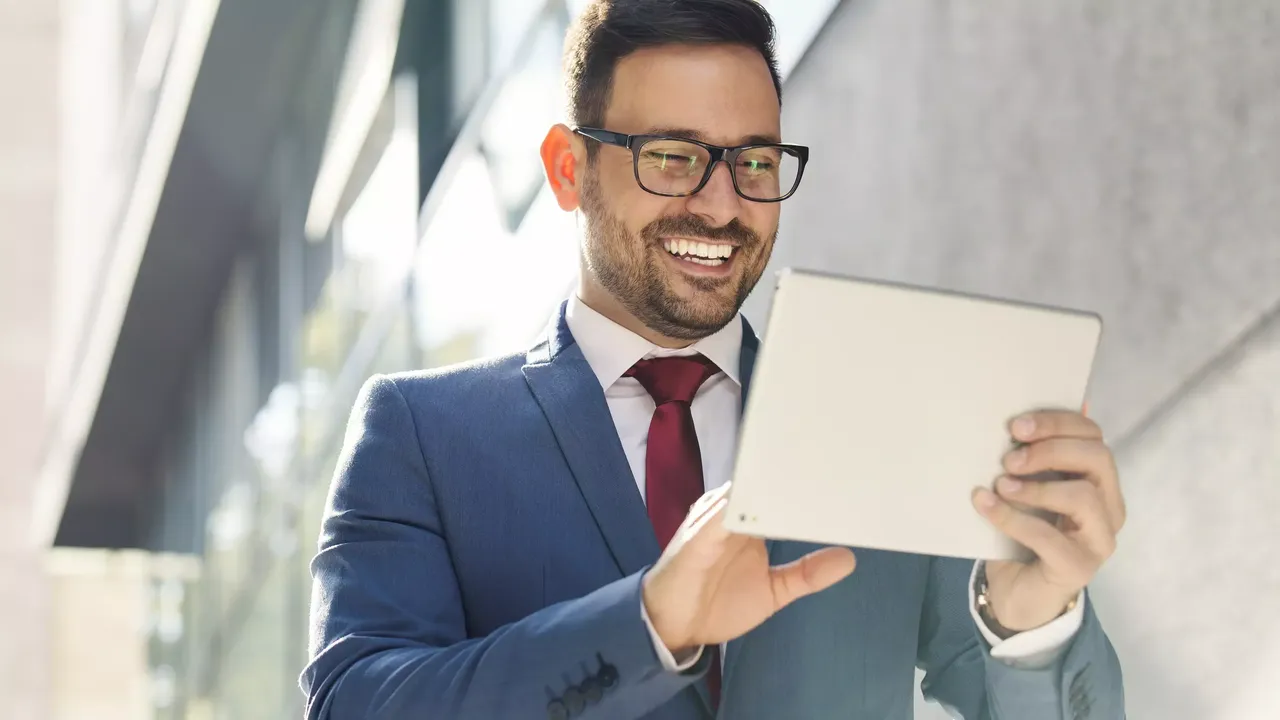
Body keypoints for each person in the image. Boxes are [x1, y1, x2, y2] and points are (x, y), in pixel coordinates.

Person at [301, 1, 1126, 718]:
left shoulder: (875, 426)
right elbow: (356, 704)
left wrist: (1030, 624)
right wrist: (647, 623)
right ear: (567, 168)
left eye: (755, 162)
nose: (723, 204)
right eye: (672, 156)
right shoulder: (423, 433)